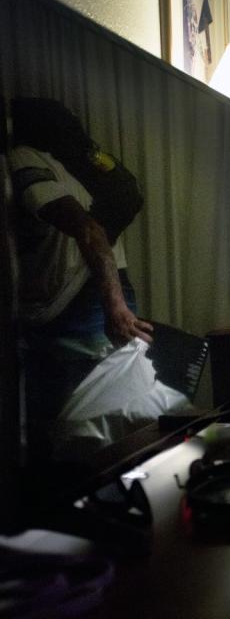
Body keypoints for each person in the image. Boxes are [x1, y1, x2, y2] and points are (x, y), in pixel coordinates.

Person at [8, 98, 153, 460]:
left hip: (83, 301)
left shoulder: (23, 157)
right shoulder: (72, 167)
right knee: (112, 420)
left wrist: (115, 307)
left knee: (73, 434)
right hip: (110, 284)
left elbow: (88, 231)